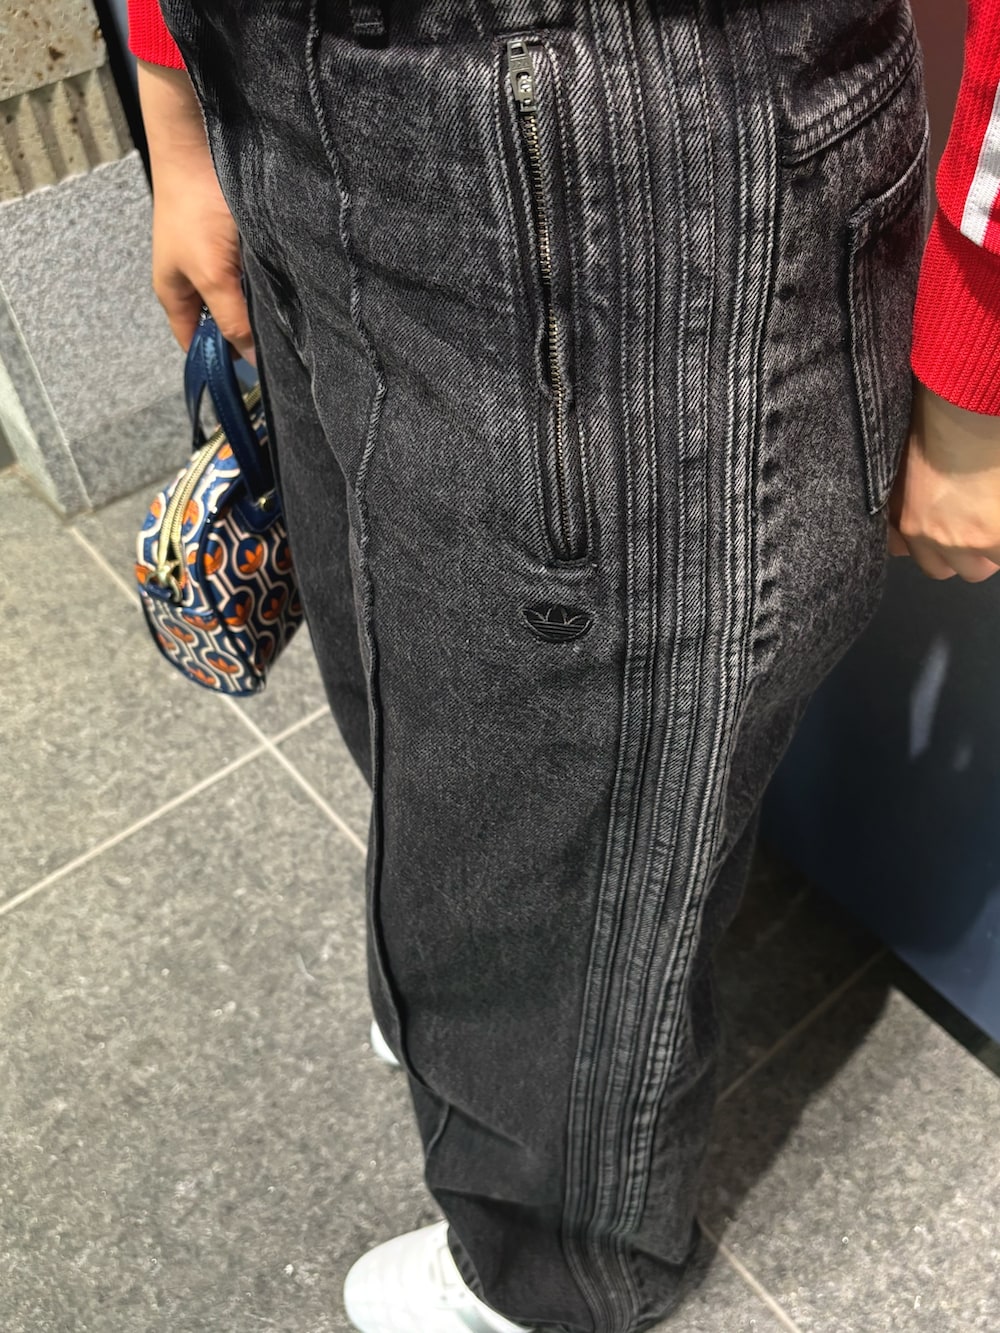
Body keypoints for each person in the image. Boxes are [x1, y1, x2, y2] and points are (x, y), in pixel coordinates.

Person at [127, 3, 1000, 1331]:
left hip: (622, 148)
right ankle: (484, 1017)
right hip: (279, 83)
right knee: (416, 673)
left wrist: (979, 351)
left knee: (575, 762)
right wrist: (179, 99)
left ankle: (555, 1277)